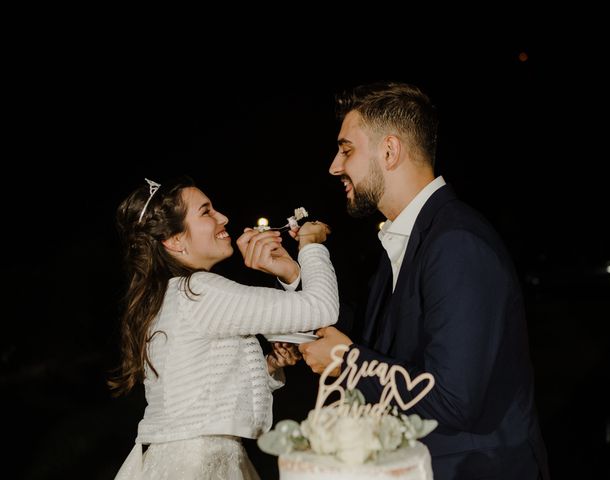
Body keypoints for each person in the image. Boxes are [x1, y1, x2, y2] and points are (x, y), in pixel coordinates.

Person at [298, 82, 550, 479]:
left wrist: (347, 363)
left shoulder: (456, 243)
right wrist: (296, 281)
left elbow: (454, 399)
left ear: (390, 150)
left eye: (346, 149)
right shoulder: (407, 236)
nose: (335, 165)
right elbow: (378, 339)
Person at [109, 176, 338, 479]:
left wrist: (268, 365)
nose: (223, 217)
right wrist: (311, 246)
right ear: (175, 240)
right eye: (206, 212)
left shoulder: (166, 297)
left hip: (177, 458)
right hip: (200, 464)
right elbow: (322, 308)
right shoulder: (199, 291)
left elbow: (199, 390)